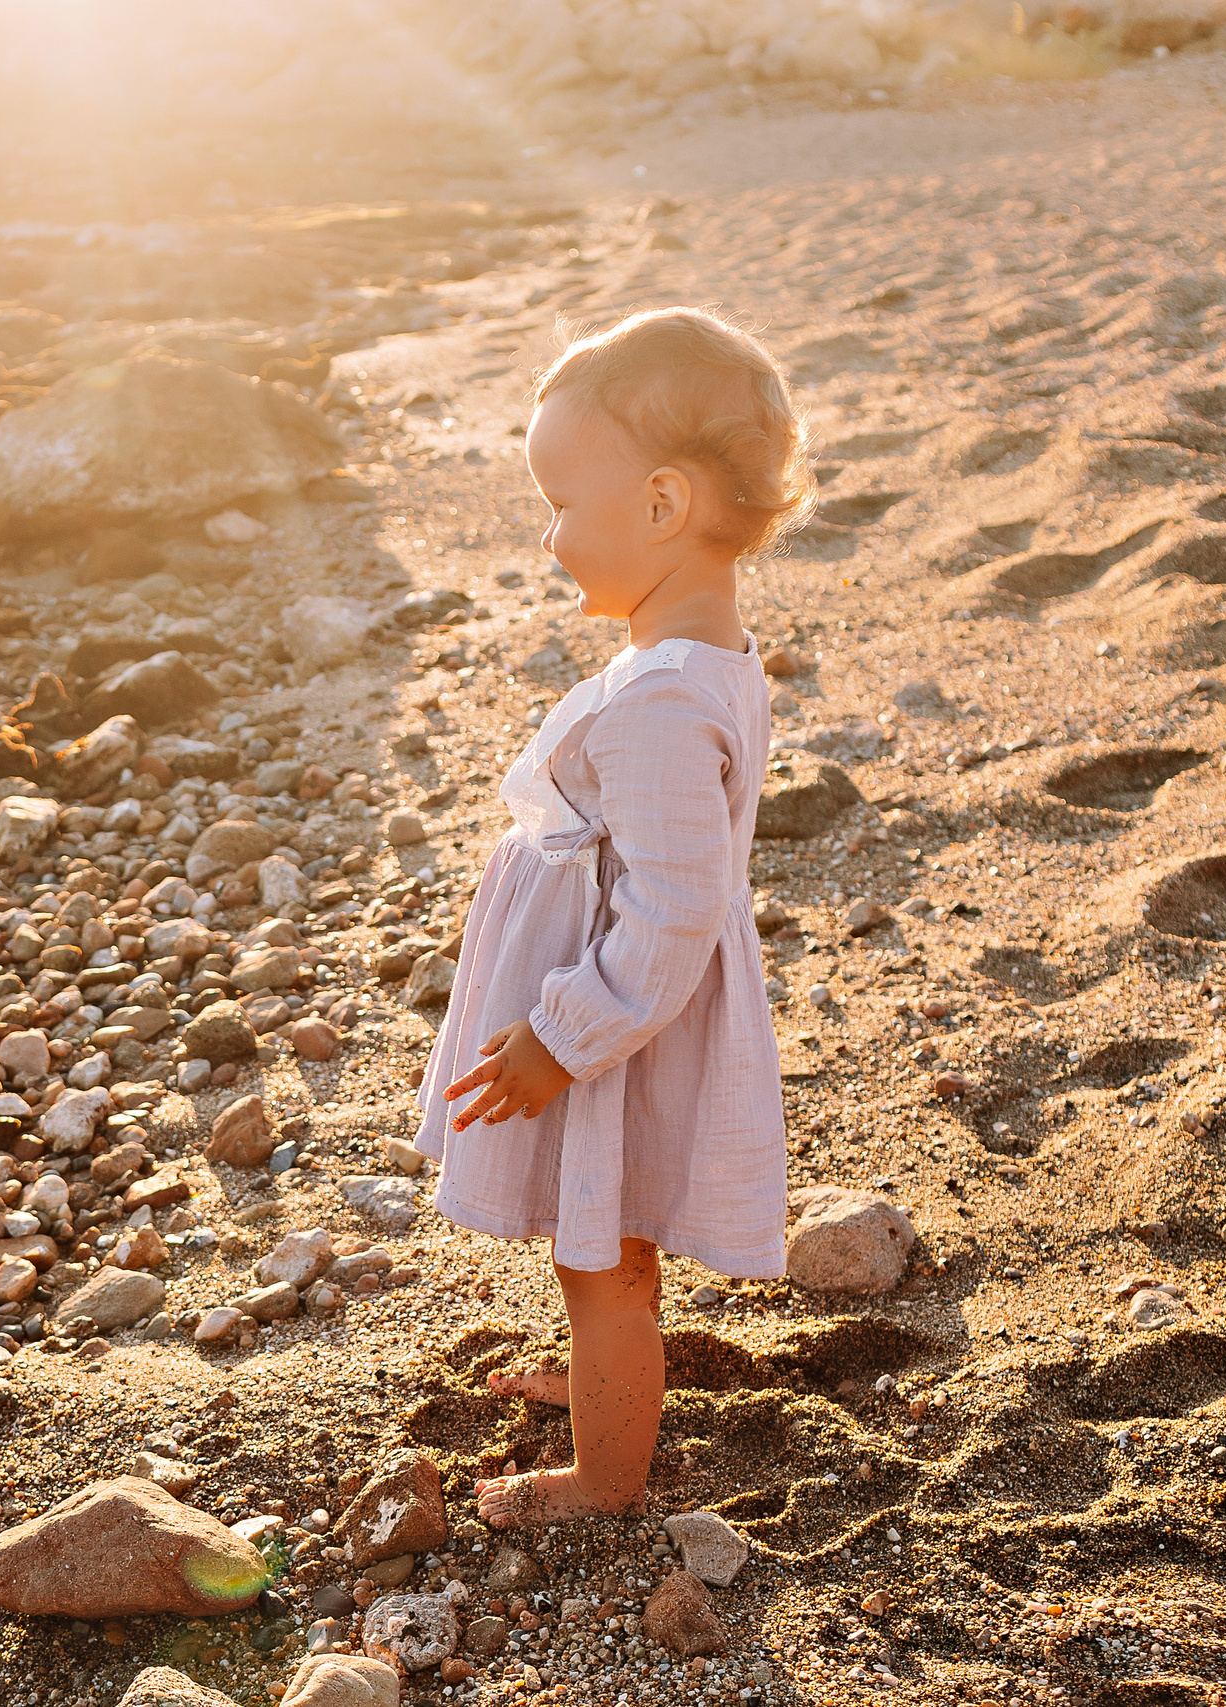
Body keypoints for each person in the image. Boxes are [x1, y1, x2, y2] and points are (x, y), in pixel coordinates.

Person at [415, 306, 811, 1529]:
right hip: (629, 1011)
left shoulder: (657, 702)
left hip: (618, 1022)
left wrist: (561, 1035)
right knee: (603, 1232)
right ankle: (604, 1390)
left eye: (560, 505)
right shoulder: (708, 656)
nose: (547, 538)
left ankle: (604, 1477)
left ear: (659, 507)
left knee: (600, 1260)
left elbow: (671, 911)